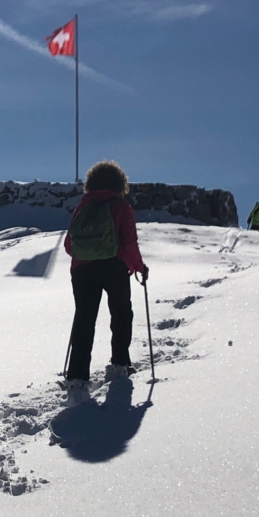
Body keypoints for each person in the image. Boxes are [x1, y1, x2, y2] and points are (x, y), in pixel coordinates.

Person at [64, 160, 147, 385]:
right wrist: (139, 267)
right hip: (114, 266)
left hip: (82, 269)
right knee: (121, 314)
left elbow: (69, 245)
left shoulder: (83, 206)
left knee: (84, 318)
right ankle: (119, 365)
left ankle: (77, 376)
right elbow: (130, 242)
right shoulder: (120, 206)